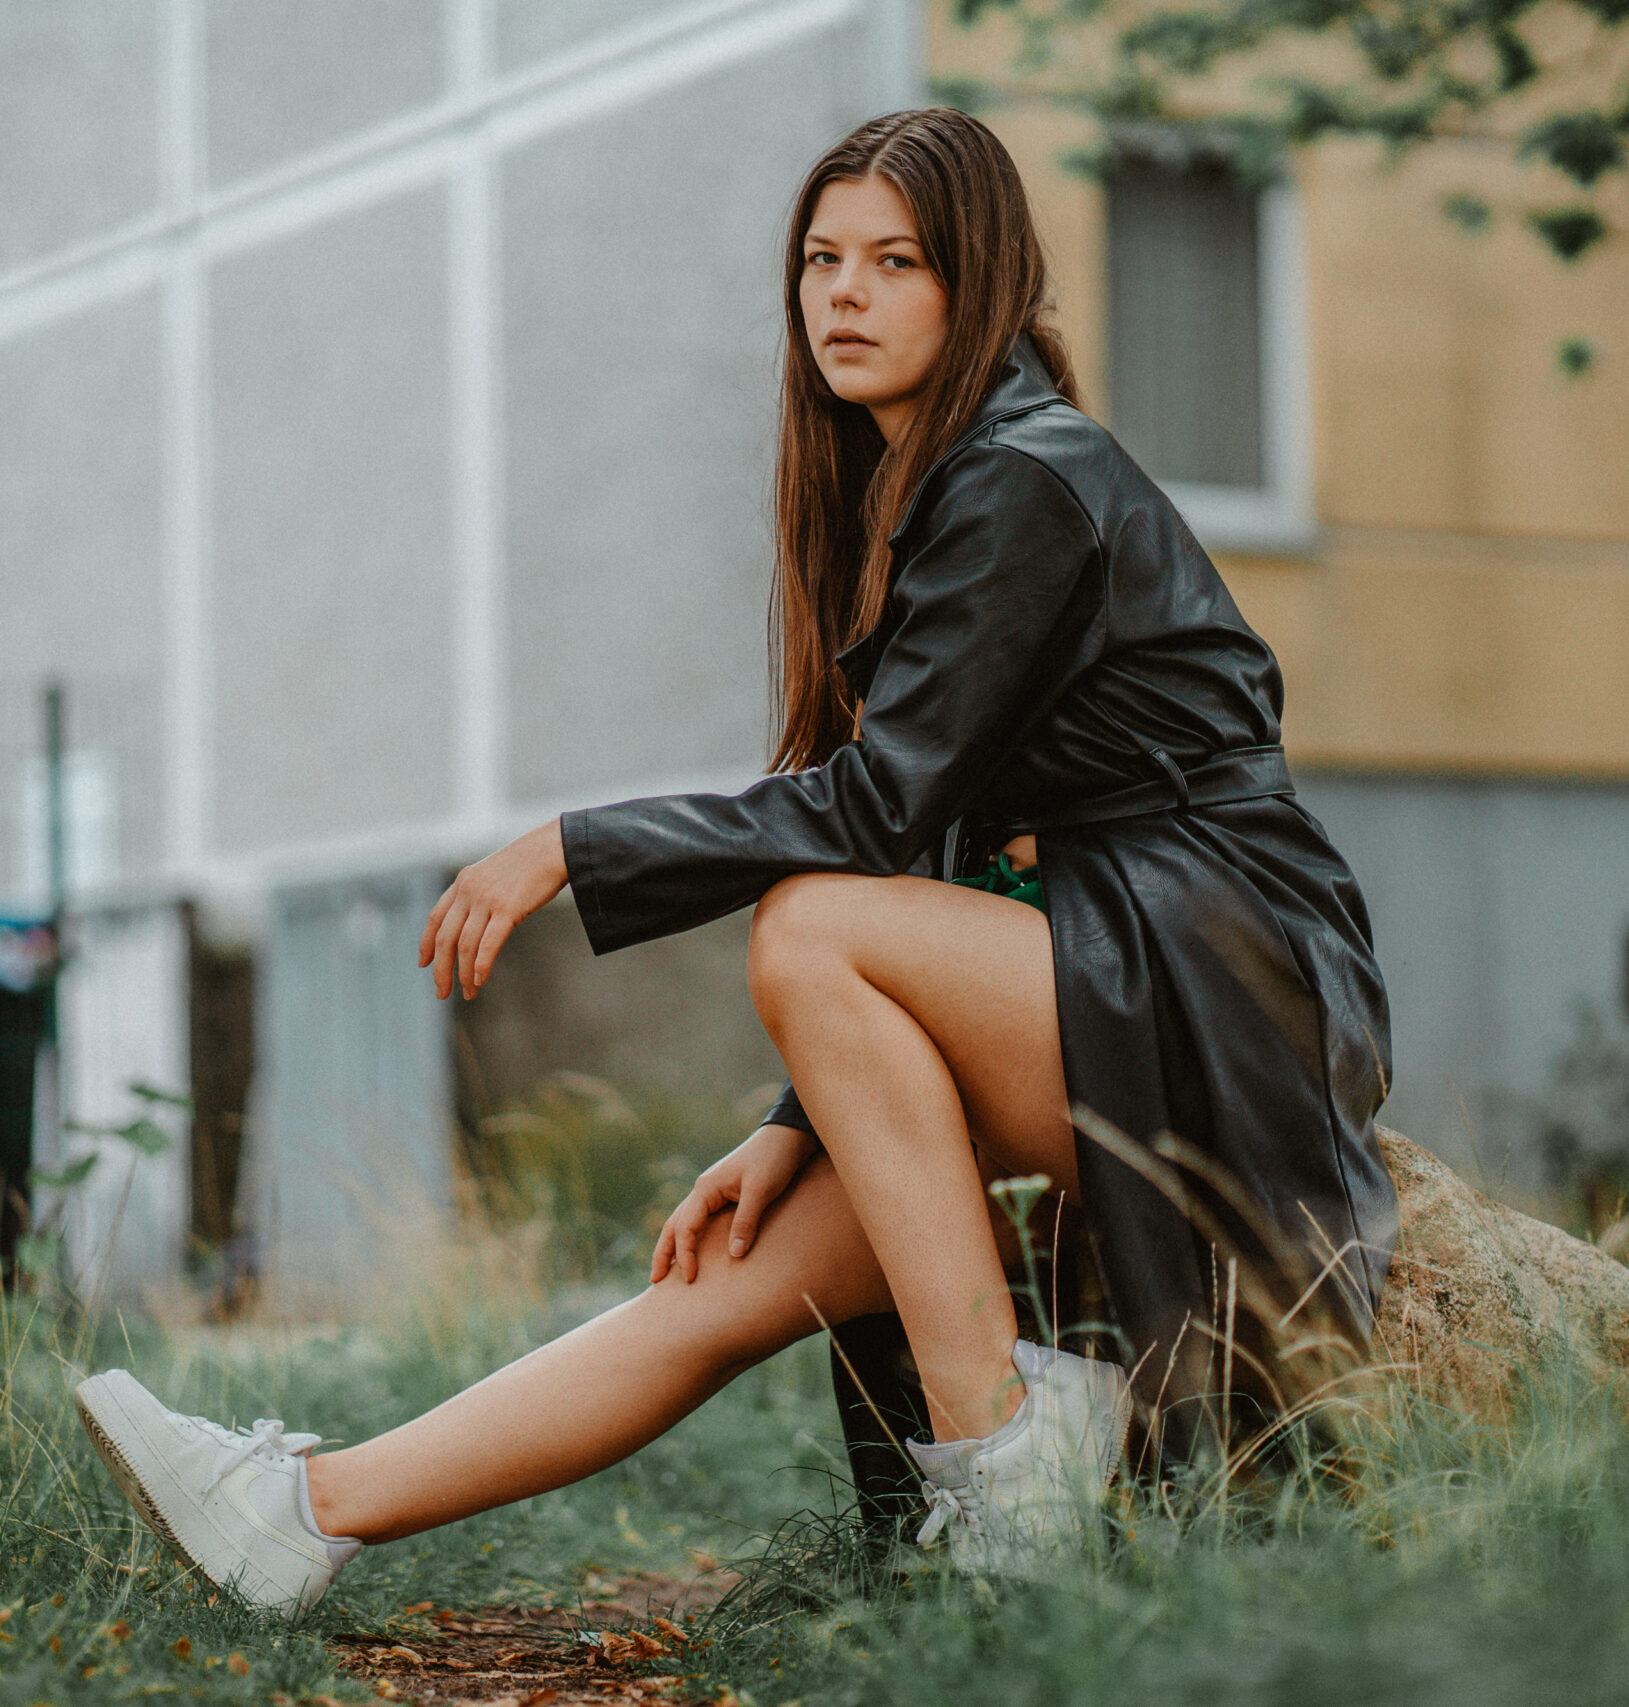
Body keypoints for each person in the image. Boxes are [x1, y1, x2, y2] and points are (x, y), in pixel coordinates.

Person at [73, 106, 1396, 1619]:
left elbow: (873, 820)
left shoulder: (1028, 476)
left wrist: (572, 847)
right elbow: (937, 838)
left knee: (808, 923)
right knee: (726, 1277)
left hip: (1218, 981)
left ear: (979, 283)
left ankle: (1006, 1461)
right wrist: (794, 1121)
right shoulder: (919, 490)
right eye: (822, 261)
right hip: (1097, 967)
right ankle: (301, 1516)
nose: (845, 295)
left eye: (897, 263)